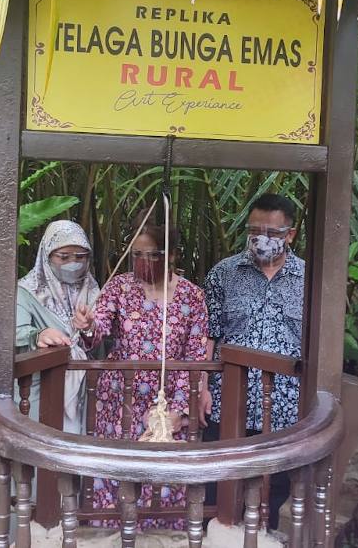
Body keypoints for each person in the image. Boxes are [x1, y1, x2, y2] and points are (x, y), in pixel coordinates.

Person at [73, 211, 210, 530]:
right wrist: (87, 324)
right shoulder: (119, 287)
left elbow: (195, 359)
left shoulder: (192, 296)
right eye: (137, 254)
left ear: (171, 255)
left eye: (153, 254)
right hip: (118, 404)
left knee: (163, 483)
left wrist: (177, 412)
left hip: (165, 407)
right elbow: (95, 334)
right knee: (118, 479)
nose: (144, 261)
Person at [201, 193, 304, 532]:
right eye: (255, 230)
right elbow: (209, 336)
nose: (262, 239)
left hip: (284, 408)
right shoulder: (224, 273)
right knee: (217, 484)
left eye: (272, 233)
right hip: (227, 401)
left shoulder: (309, 279)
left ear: (290, 235)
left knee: (271, 492)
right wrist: (202, 388)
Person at [16, 220, 100, 434]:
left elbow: (103, 340)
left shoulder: (92, 291)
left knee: (78, 447)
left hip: (84, 388)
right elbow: (13, 333)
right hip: (38, 389)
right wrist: (38, 335)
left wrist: (89, 328)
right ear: (47, 256)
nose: (73, 263)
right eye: (63, 257)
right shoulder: (26, 291)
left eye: (80, 257)